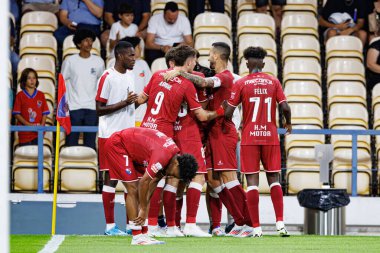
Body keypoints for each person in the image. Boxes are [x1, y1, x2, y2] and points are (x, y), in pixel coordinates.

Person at [164, 42, 253, 237]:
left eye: (211, 54)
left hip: (223, 131)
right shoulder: (215, 76)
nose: (208, 57)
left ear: (219, 56)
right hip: (212, 132)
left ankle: (249, 222)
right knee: (212, 180)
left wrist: (179, 72)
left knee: (229, 178)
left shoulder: (225, 76)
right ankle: (238, 221)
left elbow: (205, 83)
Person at [137, 45, 225, 237]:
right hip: (185, 132)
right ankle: (189, 225)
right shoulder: (192, 82)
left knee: (167, 179)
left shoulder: (157, 74)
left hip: (154, 130)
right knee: (198, 176)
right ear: (189, 62)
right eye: (194, 60)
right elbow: (201, 114)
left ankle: (162, 226)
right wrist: (220, 112)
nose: (197, 63)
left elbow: (141, 99)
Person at [224, 46, 292, 237]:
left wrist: (233, 126)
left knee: (252, 182)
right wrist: (289, 123)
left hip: (250, 137)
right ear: (263, 63)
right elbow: (285, 107)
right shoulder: (273, 81)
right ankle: (280, 224)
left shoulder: (242, 83)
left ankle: (256, 228)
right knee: (274, 180)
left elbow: (228, 113)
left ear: (246, 63)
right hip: (269, 136)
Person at [104, 127, 198, 245]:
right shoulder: (163, 156)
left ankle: (144, 233)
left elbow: (152, 185)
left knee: (142, 192)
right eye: (176, 175)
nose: (173, 177)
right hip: (118, 144)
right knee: (133, 188)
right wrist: (143, 209)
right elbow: (145, 182)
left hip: (131, 148)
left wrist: (145, 206)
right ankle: (137, 237)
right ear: (177, 164)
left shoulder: (171, 160)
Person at [96, 41, 138, 235]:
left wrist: (134, 103)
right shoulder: (107, 77)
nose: (134, 58)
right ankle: (109, 226)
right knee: (111, 179)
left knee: (132, 180)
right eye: (131, 55)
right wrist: (125, 102)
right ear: (120, 56)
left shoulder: (131, 75)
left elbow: (130, 106)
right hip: (109, 136)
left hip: (128, 135)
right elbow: (98, 109)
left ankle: (131, 226)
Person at [61, 29, 105, 150]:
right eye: (86, 40)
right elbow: (62, 83)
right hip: (74, 107)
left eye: (91, 40)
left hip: (92, 108)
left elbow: (102, 85)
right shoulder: (69, 61)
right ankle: (69, 167)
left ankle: (88, 168)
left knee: (90, 145)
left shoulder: (99, 62)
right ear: (79, 44)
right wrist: (63, 106)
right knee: (71, 143)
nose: (89, 43)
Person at [145, 1, 193, 66]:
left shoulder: (184, 20)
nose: (172, 20)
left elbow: (190, 42)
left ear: (178, 13)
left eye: (175, 18)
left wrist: (178, 47)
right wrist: (162, 48)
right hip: (159, 48)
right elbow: (148, 43)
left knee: (188, 55)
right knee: (150, 54)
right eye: (170, 18)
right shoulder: (154, 19)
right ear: (164, 14)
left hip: (178, 48)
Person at [12, 68, 50, 146]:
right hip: (24, 134)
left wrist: (41, 127)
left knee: (37, 156)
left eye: (34, 78)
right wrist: (28, 125)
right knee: (26, 156)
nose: (32, 80)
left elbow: (44, 113)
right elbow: (17, 114)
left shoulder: (41, 95)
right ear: (24, 81)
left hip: (37, 134)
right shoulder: (20, 95)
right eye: (29, 78)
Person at [121, 37, 151, 126]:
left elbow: (149, 86)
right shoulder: (116, 64)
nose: (141, 49)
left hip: (141, 114)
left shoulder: (143, 64)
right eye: (138, 47)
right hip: (122, 114)